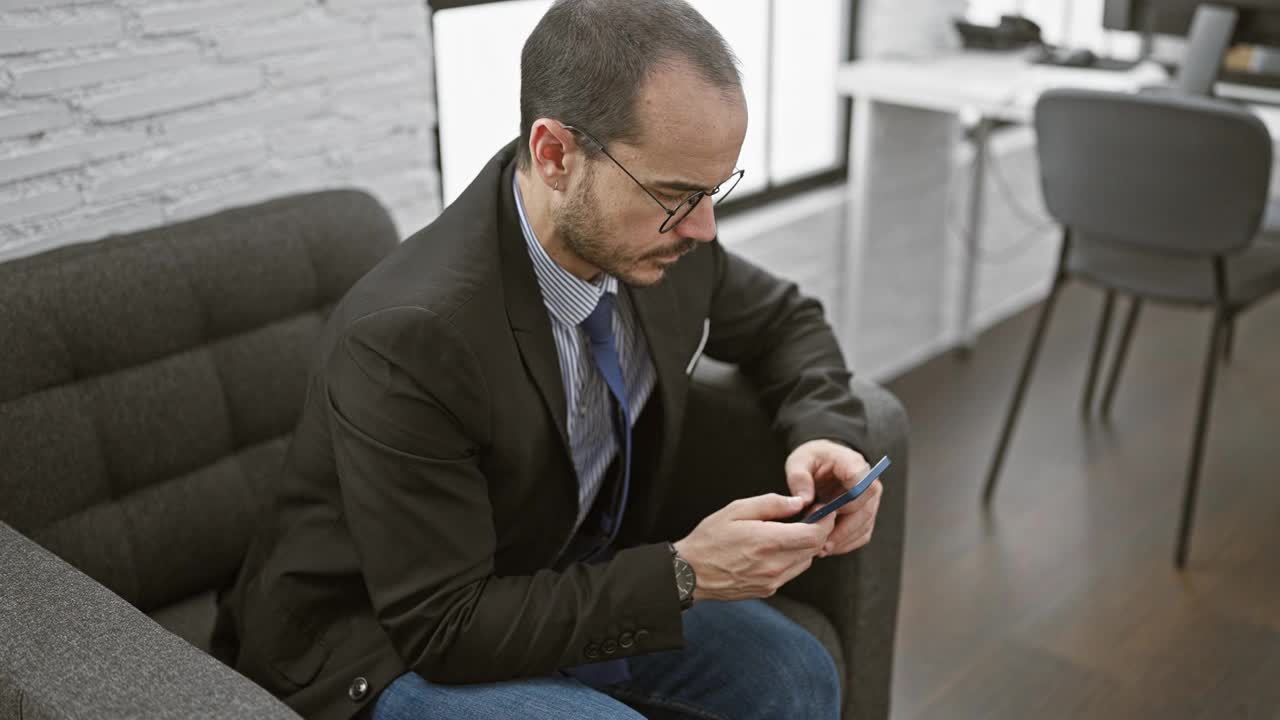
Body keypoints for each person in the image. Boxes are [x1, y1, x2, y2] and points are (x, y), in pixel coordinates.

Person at [219, 1, 884, 718]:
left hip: (555, 572)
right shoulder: (409, 336)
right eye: (675, 195)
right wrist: (683, 574)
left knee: (799, 677)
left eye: (715, 189)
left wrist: (825, 433)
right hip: (383, 638)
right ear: (555, 154)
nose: (703, 226)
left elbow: (786, 322)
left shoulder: (666, 244)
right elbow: (444, 624)